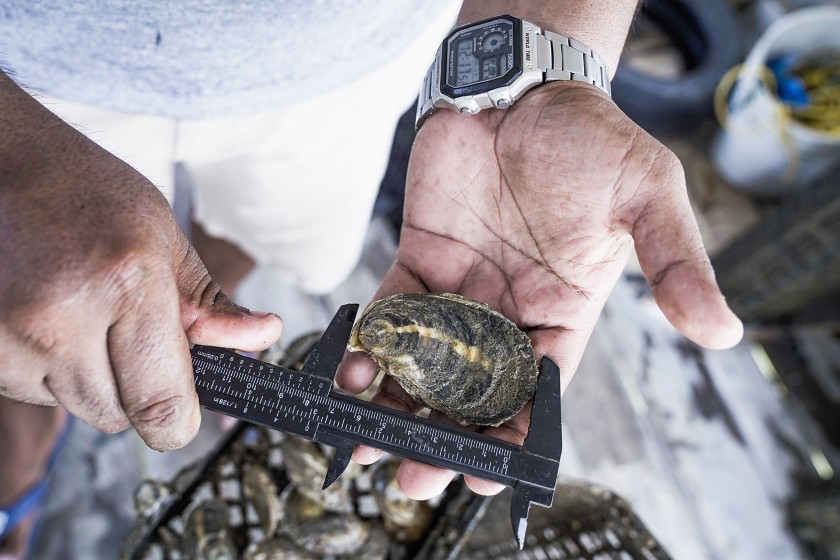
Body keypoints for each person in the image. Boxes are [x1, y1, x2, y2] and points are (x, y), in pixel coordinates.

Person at [0, 1, 743, 557]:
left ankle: (219, 361)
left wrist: (539, 55)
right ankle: (21, 461)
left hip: (351, 59)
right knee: (37, 330)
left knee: (268, 238)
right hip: (33, 78)